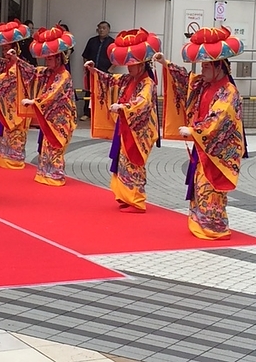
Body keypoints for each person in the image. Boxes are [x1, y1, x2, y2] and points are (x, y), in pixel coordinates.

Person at [154, 26, 246, 240]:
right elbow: (186, 80)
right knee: (200, 185)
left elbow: (219, 118)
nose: (202, 70)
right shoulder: (203, 84)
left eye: (206, 66)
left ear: (218, 67)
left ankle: (215, 227)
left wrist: (194, 130)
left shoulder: (228, 91)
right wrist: (165, 63)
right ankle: (201, 223)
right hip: (204, 145)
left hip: (218, 149)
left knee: (210, 187)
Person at [85, 28, 161, 213]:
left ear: (142, 64)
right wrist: (93, 70)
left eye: (132, 64)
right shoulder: (129, 79)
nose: (129, 67)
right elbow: (110, 80)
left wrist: (124, 107)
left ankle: (137, 200)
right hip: (126, 126)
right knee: (123, 163)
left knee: (134, 163)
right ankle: (126, 196)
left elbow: (142, 102)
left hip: (139, 131)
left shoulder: (148, 83)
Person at [8, 24, 77, 186]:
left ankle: (56, 175)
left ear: (59, 58)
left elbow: (53, 92)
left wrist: (35, 101)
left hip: (62, 119)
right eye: (46, 58)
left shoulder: (64, 75)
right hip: (50, 117)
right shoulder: (47, 72)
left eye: (50, 58)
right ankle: (46, 173)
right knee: (47, 145)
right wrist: (16, 60)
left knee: (55, 146)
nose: (47, 61)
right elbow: (31, 72)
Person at [0, 20, 31, 169]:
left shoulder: (19, 64)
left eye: (7, 49)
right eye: (3, 49)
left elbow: (6, 77)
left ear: (15, 49)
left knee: (15, 133)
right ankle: (3, 157)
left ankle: (14, 160)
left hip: (17, 105)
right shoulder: (6, 63)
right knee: (5, 132)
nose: (4, 52)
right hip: (7, 104)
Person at [81, 21, 114, 121]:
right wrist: (86, 67)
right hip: (91, 72)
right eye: (100, 28)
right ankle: (87, 113)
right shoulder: (92, 41)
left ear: (108, 30)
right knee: (89, 92)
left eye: (104, 28)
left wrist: (110, 69)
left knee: (104, 93)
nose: (101, 30)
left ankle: (102, 115)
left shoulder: (112, 43)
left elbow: (117, 58)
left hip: (105, 73)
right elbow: (85, 55)